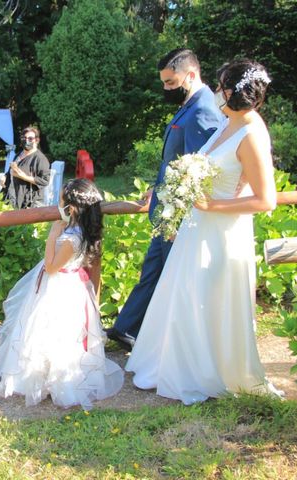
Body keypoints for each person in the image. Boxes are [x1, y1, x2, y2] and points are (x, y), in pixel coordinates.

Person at [126, 59, 283, 404]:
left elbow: (265, 199)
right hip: (198, 228)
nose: (217, 91)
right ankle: (176, 364)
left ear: (236, 91)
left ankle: (207, 372)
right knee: (184, 294)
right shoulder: (227, 123)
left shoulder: (252, 133)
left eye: (222, 85)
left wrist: (213, 206)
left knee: (208, 299)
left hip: (223, 231)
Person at [107, 48, 225, 350]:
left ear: (191, 75)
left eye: (171, 83)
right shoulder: (190, 105)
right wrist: (158, 186)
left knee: (176, 279)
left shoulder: (203, 110)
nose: (166, 89)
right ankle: (126, 329)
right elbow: (176, 161)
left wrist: (179, 209)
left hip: (181, 216)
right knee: (153, 269)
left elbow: (200, 170)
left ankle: (174, 341)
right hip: (166, 206)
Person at [0, 179, 141, 409]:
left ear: (71, 208)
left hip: (60, 288)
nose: (58, 204)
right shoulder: (81, 230)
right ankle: (47, 377)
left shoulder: (72, 236)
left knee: (56, 333)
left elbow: (52, 267)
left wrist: (52, 234)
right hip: (66, 285)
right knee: (52, 334)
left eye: (61, 201)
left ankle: (57, 382)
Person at [0, 126, 50, 209]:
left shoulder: (40, 158)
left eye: (30, 138)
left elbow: (44, 181)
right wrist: (5, 176)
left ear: (37, 140)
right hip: (12, 197)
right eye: (24, 138)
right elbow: (11, 171)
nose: (26, 141)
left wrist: (23, 177)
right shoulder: (19, 154)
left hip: (28, 202)